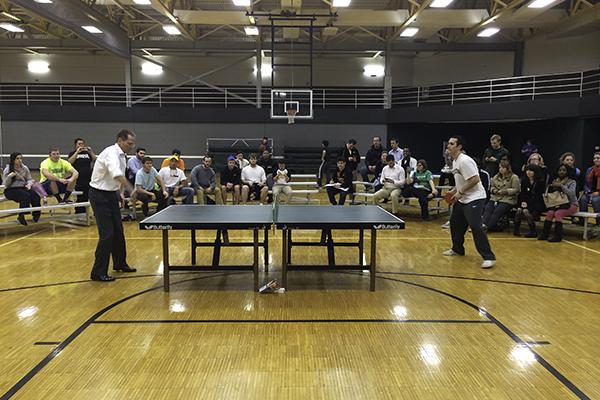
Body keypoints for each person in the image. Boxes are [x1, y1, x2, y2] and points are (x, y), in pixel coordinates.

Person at [88, 129, 137, 282]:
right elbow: (116, 173)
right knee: (107, 234)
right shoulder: (111, 153)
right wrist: (130, 189)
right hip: (98, 195)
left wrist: (120, 192)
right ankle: (98, 272)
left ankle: (120, 263)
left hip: (111, 194)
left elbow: (118, 176)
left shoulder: (123, 156)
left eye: (132, 144)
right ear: (120, 140)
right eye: (129, 143)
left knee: (118, 230)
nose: (131, 146)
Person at [443, 135, 496, 269]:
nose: (448, 146)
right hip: (463, 198)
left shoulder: (464, 161)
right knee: (455, 223)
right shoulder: (455, 161)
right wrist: (454, 190)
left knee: (476, 226)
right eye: (448, 143)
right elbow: (462, 181)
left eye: (451, 144)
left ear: (459, 146)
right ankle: (457, 249)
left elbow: (475, 179)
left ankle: (489, 257)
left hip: (475, 198)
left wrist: (460, 192)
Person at [538, 165, 578, 242]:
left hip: (571, 204)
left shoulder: (572, 182)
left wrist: (561, 186)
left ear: (567, 172)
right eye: (559, 170)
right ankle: (545, 234)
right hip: (557, 203)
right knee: (550, 213)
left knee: (558, 213)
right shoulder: (555, 180)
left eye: (564, 170)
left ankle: (558, 236)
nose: (561, 172)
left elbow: (571, 194)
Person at [2, 152, 44, 225]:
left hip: (23, 188)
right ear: (13, 160)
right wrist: (9, 177)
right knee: (25, 195)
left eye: (21, 158)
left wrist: (29, 184)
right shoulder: (8, 169)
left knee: (35, 195)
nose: (20, 160)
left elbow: (29, 179)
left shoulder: (25, 168)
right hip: (10, 190)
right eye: (17, 158)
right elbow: (5, 184)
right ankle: (21, 216)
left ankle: (36, 214)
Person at [482, 160, 520, 231]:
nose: (501, 169)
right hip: (495, 198)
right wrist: (494, 190)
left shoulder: (514, 177)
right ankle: (483, 224)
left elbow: (516, 189)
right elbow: (491, 187)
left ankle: (487, 227)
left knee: (497, 210)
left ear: (507, 168)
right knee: (488, 208)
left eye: (503, 168)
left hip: (508, 199)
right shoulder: (496, 177)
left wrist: (505, 191)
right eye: (500, 167)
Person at [513, 164, 545, 237]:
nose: (528, 172)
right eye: (527, 170)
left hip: (537, 203)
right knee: (519, 210)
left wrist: (527, 203)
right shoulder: (524, 180)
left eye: (531, 171)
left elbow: (538, 196)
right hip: (525, 201)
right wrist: (523, 202)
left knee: (525, 211)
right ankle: (516, 230)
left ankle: (533, 231)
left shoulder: (540, 181)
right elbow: (522, 193)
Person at [68, 138, 97, 213]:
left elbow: (96, 161)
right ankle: (79, 212)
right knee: (80, 196)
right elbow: (69, 162)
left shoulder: (87, 153)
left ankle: (87, 213)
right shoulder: (72, 153)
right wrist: (77, 152)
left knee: (89, 195)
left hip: (88, 178)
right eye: (79, 144)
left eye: (82, 144)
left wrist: (91, 152)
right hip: (78, 179)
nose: (81, 145)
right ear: (75, 145)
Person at [578, 152, 600, 226]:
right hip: (590, 192)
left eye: (598, 158)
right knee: (583, 199)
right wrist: (588, 191)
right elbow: (585, 184)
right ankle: (583, 221)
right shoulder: (590, 169)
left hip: (598, 193)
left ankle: (598, 222)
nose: (596, 160)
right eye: (594, 158)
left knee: (595, 200)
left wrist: (598, 193)